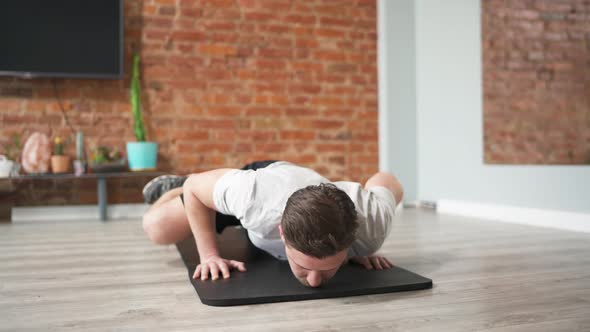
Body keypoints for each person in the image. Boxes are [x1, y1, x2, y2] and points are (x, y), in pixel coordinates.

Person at [142, 160, 403, 288]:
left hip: (315, 197)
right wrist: (209, 256)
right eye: (304, 267)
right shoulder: (251, 197)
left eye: (328, 268)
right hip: (265, 182)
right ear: (281, 233)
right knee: (157, 227)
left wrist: (361, 249)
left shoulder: (373, 221)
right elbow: (194, 190)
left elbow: (387, 179)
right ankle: (174, 184)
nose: (314, 282)